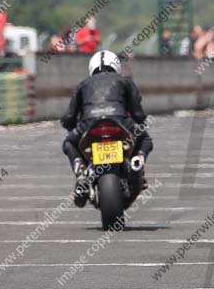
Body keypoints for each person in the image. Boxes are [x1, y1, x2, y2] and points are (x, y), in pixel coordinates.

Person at [61, 51, 153, 207]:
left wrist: (69, 126)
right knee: (145, 139)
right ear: (116, 66)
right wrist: (140, 122)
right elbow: (138, 113)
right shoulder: (125, 81)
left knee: (68, 143)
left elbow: (70, 116)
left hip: (89, 124)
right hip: (120, 121)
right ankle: (137, 162)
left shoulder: (83, 84)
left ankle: (80, 169)